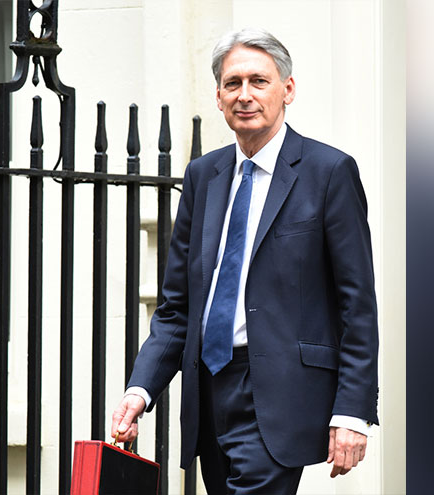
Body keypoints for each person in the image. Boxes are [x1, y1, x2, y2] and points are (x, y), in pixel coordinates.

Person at [111, 27, 379, 494]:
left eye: (259, 81)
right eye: (232, 83)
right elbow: (177, 307)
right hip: (209, 392)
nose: (245, 94)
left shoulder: (329, 172)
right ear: (218, 97)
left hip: (279, 395)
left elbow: (356, 305)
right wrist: (141, 389)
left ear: (287, 89)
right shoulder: (203, 176)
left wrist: (352, 411)